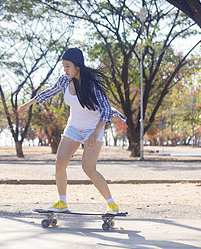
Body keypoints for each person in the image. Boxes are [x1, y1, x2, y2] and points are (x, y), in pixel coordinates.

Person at [18, 48, 126, 214]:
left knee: (88, 168)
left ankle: (112, 204)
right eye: (63, 66)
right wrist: (28, 103)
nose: (65, 70)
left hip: (93, 128)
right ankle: (62, 202)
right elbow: (49, 92)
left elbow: (105, 109)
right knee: (59, 163)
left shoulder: (93, 83)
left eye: (68, 66)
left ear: (78, 66)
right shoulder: (64, 81)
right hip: (73, 128)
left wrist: (96, 132)